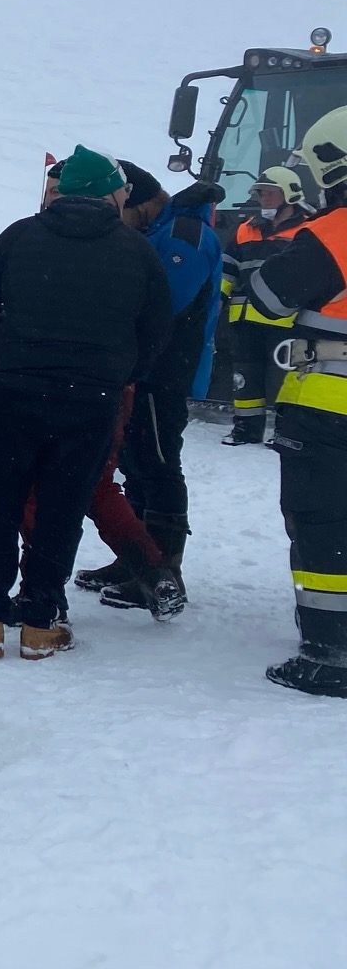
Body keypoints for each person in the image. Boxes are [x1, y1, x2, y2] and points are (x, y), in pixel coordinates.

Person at [0, 146, 169, 658]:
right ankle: (41, 620)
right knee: (63, 505)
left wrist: (4, 360)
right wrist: (119, 374)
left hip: (18, 391)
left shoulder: (20, 236)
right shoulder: (137, 251)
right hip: (92, 400)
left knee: (0, 500)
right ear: (110, 193)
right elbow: (155, 329)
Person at [244, 107, 347, 696]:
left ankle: (331, 653)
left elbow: (267, 296)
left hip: (330, 406)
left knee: (323, 524)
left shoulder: (334, 234)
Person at [88, 163, 220, 612]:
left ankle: (165, 571)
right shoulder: (163, 231)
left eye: (124, 211)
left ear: (142, 204)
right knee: (138, 460)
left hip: (164, 371)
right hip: (142, 369)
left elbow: (165, 302)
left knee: (159, 462)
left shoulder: (183, 234)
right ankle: (138, 563)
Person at [221, 167, 311, 445]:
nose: (264, 200)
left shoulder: (308, 229)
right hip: (245, 318)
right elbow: (228, 269)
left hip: (286, 320)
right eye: (261, 194)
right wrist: (218, 300)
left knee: (288, 380)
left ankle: (285, 431)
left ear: (290, 196)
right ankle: (246, 429)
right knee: (245, 377)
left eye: (271, 194)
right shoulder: (245, 228)